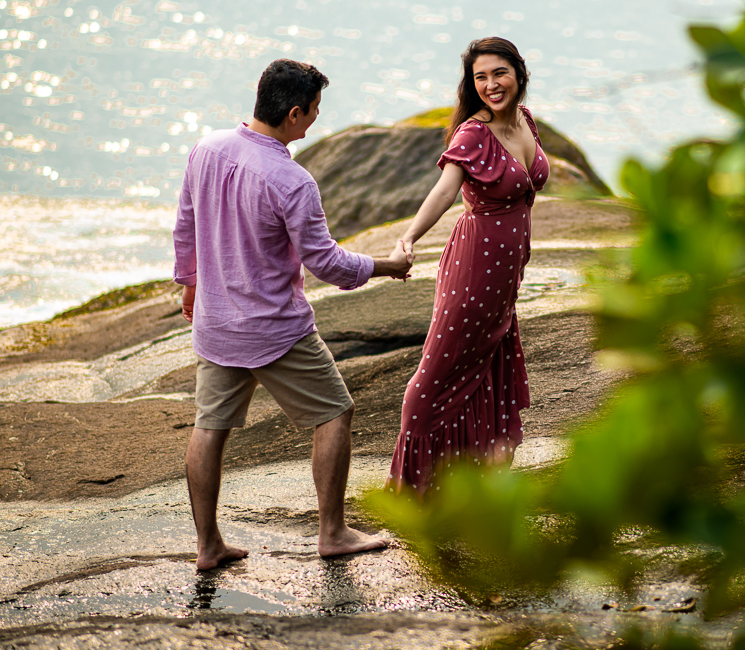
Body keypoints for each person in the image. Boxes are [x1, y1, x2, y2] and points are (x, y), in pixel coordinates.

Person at [173, 58, 412, 570]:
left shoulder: (207, 148)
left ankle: (208, 545)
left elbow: (185, 223)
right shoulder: (291, 179)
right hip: (275, 330)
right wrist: (387, 266)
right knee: (334, 412)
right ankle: (333, 532)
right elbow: (325, 262)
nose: (317, 120)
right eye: (316, 111)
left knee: (209, 425)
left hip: (216, 324)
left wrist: (189, 284)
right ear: (295, 113)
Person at [386, 37, 550, 494]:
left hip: (505, 275)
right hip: (475, 268)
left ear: (519, 73)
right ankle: (411, 487)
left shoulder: (525, 122)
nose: (491, 85)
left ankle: (473, 478)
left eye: (499, 73)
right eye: (481, 77)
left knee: (487, 363)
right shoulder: (473, 134)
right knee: (438, 371)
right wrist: (409, 236)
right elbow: (443, 192)